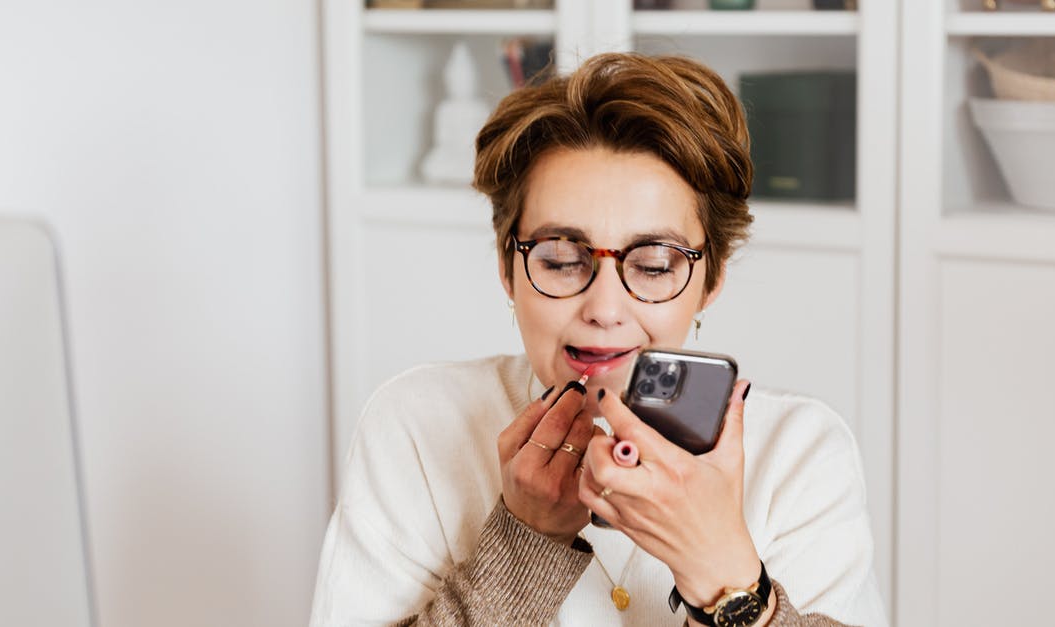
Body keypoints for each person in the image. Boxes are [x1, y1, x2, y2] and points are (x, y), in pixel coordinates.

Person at [309, 53, 888, 627]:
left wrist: (722, 572)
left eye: (655, 265)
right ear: (506, 267)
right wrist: (524, 542)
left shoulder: (802, 454)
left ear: (710, 281)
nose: (606, 309)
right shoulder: (415, 424)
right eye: (562, 260)